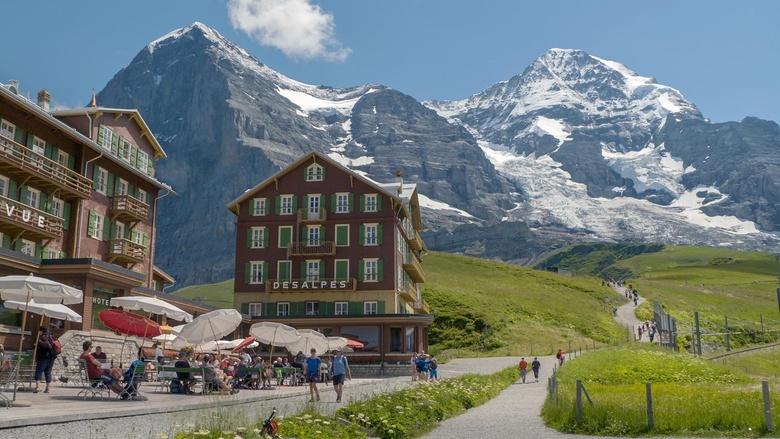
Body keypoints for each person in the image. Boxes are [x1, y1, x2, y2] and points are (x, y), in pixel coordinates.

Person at [34, 327, 58, 393]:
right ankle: (47, 388)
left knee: (38, 371)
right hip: (51, 358)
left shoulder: (42, 337)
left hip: (43, 357)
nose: (38, 333)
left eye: (39, 331)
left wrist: (38, 343)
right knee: (48, 372)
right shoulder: (52, 336)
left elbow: (44, 346)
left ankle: (37, 387)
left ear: (41, 331)